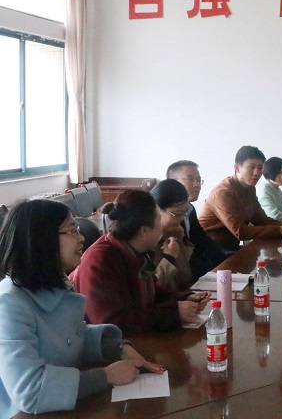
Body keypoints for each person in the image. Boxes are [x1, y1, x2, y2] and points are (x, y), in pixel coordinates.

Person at [0, 200, 163, 417]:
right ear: (42, 240)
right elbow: (30, 389)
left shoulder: (51, 284)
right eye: (71, 231)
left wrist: (117, 347)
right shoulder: (9, 304)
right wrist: (105, 376)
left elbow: (69, 337)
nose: (82, 238)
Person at [71, 190, 211, 334]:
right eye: (158, 221)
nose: (161, 227)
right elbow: (111, 323)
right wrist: (174, 312)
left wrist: (185, 298)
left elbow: (152, 293)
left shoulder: (136, 250)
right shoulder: (100, 259)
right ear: (144, 230)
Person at [199, 146, 282, 251]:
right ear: (237, 168)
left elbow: (261, 220)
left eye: (260, 168)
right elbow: (241, 232)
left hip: (230, 248)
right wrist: (280, 229)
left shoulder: (250, 188)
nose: (257, 173)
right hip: (210, 251)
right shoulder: (223, 193)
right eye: (251, 167)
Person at [166, 160, 228, 280]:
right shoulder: (166, 215)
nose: (197, 185)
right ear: (172, 183)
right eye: (190, 179)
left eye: (199, 180)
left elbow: (202, 240)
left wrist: (225, 262)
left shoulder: (190, 208)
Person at [150, 179, 194, 292]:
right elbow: (151, 289)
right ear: (157, 208)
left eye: (184, 213)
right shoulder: (146, 239)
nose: (181, 219)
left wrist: (183, 242)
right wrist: (169, 258)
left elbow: (185, 279)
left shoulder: (173, 232)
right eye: (177, 214)